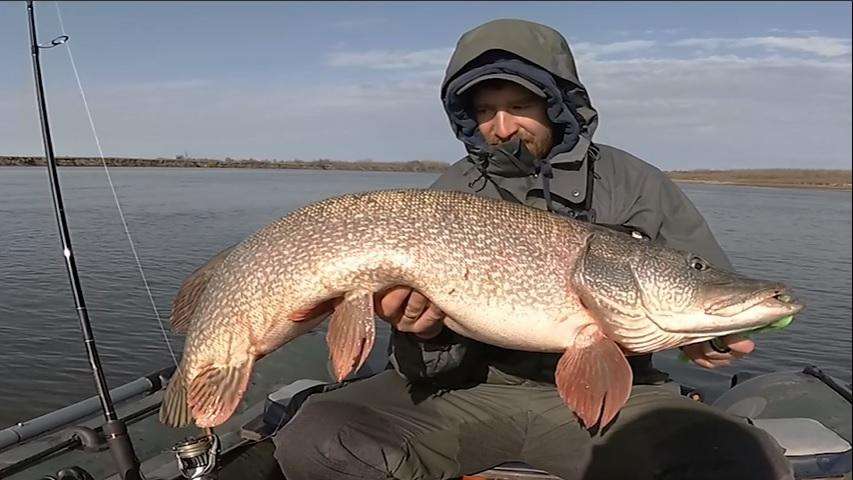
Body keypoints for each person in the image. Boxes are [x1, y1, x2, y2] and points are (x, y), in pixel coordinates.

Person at [272, 18, 794, 480]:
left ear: (557, 105)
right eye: (485, 111)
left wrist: (715, 338)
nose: (502, 127)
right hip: (471, 389)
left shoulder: (637, 183)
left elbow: (701, 279)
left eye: (519, 106)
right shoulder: (448, 195)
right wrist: (421, 331)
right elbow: (423, 366)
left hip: (626, 395)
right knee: (318, 437)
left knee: (743, 460)